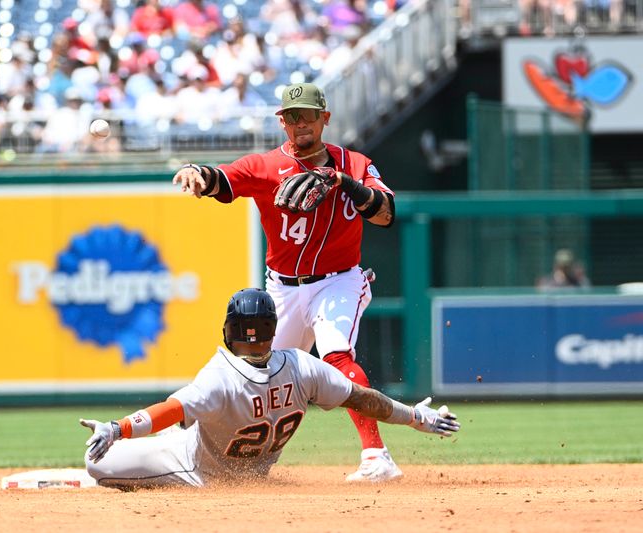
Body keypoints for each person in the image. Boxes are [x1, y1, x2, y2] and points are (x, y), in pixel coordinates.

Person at [171, 82, 399, 483]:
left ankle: (376, 456)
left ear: (324, 118)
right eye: (291, 117)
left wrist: (344, 183)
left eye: (307, 115)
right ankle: (239, 465)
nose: (300, 125)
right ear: (282, 123)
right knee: (260, 376)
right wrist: (197, 172)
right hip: (283, 288)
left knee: (336, 357)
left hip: (339, 281)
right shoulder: (265, 166)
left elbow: (385, 214)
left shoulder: (355, 163)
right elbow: (222, 179)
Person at [80, 288, 460, 489]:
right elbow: (363, 399)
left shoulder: (219, 377)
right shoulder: (302, 365)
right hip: (249, 473)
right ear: (272, 328)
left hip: (195, 470)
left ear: (228, 331)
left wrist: (117, 428)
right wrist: (415, 417)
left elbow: (170, 411)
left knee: (95, 463)